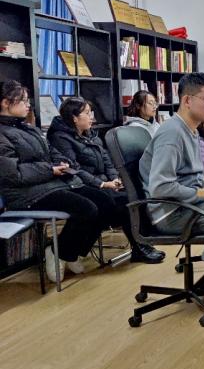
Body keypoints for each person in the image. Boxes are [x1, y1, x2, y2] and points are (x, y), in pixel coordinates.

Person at [0, 81, 116, 283]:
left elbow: (51, 151)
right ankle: (58, 252)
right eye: (23, 101)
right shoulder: (2, 134)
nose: (28, 105)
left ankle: (71, 253)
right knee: (87, 208)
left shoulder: (28, 128)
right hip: (25, 194)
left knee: (106, 202)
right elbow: (14, 174)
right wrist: (50, 169)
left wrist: (63, 162)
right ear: (5, 103)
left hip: (51, 184)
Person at [47, 97, 164, 264]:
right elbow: (74, 169)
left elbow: (107, 159)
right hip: (78, 185)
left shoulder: (90, 134)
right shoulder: (60, 138)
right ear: (74, 118)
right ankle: (69, 251)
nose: (92, 117)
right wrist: (101, 184)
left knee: (131, 197)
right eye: (87, 113)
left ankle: (141, 246)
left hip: (100, 183)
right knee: (117, 204)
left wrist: (114, 178)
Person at [139, 73, 204, 237]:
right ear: (187, 100)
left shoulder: (191, 130)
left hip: (190, 206)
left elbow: (193, 177)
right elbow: (160, 187)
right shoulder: (172, 134)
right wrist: (201, 193)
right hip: (174, 214)